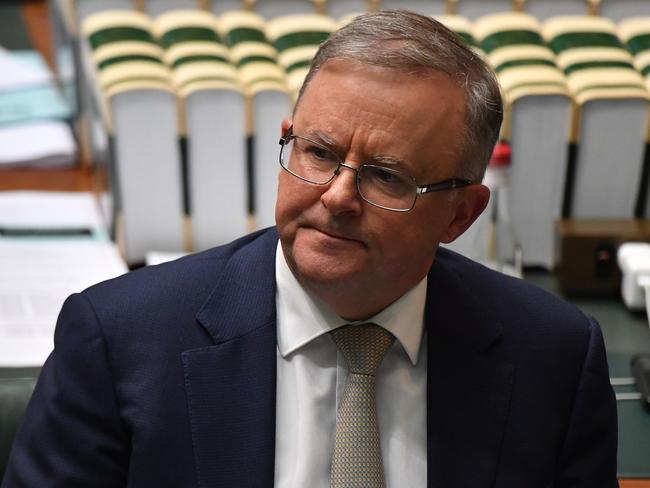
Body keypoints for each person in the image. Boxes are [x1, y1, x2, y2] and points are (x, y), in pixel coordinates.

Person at [3, 10, 617, 488]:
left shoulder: (554, 360)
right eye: (319, 154)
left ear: (461, 213)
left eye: (386, 176)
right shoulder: (120, 341)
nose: (337, 197)